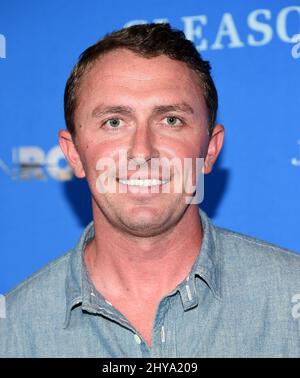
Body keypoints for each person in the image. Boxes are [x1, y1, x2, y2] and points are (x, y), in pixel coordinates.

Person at [0, 23, 300, 358]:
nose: (142, 151)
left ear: (210, 150)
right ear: (73, 154)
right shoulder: (12, 331)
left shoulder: (291, 297)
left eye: (170, 120)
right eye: (114, 122)